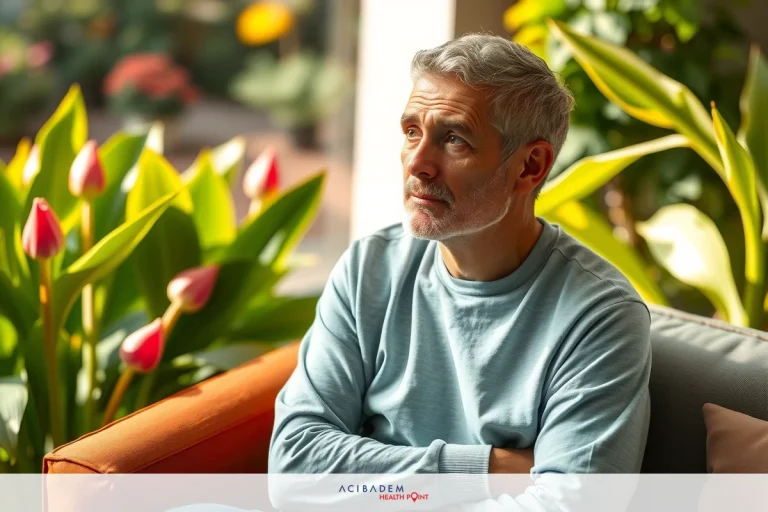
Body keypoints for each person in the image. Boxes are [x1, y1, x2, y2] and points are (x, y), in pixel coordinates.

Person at [268, 33, 651, 510]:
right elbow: (294, 468)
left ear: (530, 167)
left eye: (453, 139)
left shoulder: (599, 316)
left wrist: (366, 480)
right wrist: (487, 469)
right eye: (412, 132)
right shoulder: (369, 268)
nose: (418, 164)